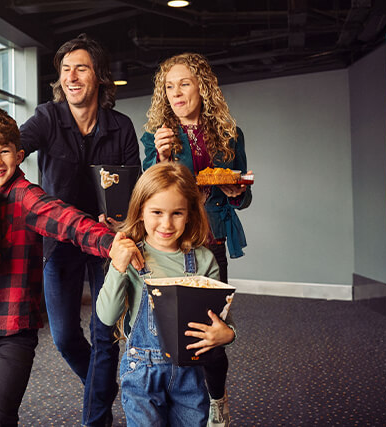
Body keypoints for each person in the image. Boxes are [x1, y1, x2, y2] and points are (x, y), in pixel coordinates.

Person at [0, 34, 141, 426]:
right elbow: (8, 145)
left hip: (101, 236)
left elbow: (134, 188)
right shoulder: (48, 117)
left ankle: (96, 415)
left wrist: (120, 230)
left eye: (81, 68)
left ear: (98, 76)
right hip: (56, 238)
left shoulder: (120, 127)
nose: (71, 76)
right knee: (65, 336)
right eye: (65, 69)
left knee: (105, 333)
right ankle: (99, 389)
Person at [141, 52, 251, 427]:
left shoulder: (230, 134)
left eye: (184, 83)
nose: (176, 93)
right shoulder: (156, 136)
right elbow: (147, 191)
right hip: (171, 240)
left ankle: (217, 400)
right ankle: (176, 403)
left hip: (214, 240)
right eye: (169, 87)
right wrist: (159, 155)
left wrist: (236, 188)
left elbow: (244, 195)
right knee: (166, 328)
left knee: (210, 329)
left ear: (202, 87)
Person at [96, 162, 236, 426]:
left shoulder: (204, 261)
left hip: (191, 375)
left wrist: (228, 334)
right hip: (142, 375)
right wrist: (117, 266)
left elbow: (221, 320)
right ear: (140, 212)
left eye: (177, 213)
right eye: (157, 212)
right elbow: (106, 316)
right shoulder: (131, 255)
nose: (166, 223)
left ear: (190, 214)